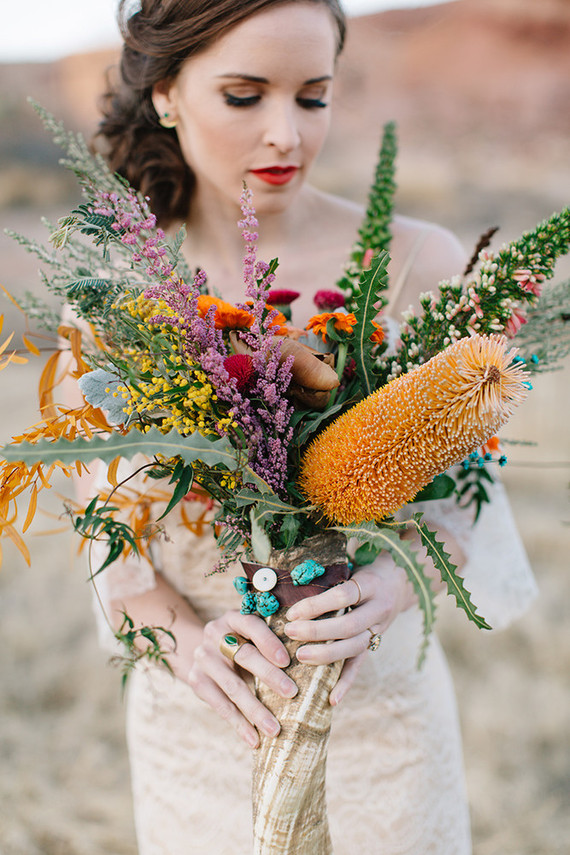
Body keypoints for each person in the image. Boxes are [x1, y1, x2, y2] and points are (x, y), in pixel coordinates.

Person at [84, 1, 537, 852]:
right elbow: (108, 538)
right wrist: (187, 645)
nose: (286, 135)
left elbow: (474, 494)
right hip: (205, 725)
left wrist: (398, 585)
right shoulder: (117, 292)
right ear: (169, 93)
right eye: (246, 96)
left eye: (313, 97)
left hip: (382, 727)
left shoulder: (421, 264)